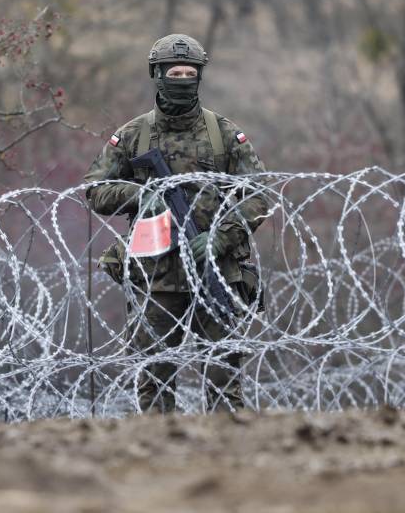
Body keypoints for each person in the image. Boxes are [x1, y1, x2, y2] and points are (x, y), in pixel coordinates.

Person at [82, 34, 268, 412]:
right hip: (157, 278)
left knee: (224, 385)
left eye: (189, 73)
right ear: (157, 74)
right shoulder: (135, 135)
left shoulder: (224, 134)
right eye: (174, 72)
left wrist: (220, 237)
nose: (182, 80)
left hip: (216, 271)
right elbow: (95, 190)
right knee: (153, 385)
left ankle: (229, 461)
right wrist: (140, 195)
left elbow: (259, 196)